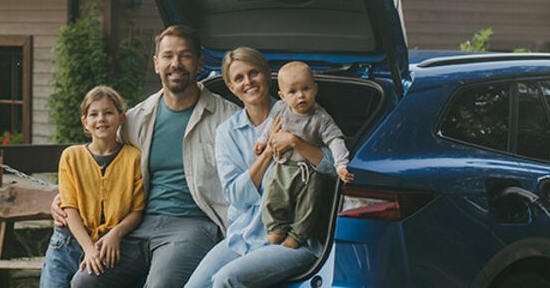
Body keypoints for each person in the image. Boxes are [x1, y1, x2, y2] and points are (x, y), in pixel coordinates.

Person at [59, 25, 239, 288]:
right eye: (168, 56)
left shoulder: (227, 118)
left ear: (199, 63)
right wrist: (61, 198)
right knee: (84, 282)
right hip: (137, 225)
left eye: (185, 56)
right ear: (156, 64)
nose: (175, 64)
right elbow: (102, 160)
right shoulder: (136, 118)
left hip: (194, 225)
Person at [184, 49, 332, 288]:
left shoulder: (302, 113)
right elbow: (236, 196)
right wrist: (266, 152)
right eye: (239, 78)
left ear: (267, 75)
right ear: (232, 88)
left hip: (294, 240)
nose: (248, 82)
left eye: (254, 73)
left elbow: (331, 167)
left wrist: (295, 142)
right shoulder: (227, 132)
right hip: (244, 235)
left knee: (226, 280)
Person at [39, 86, 148, 288]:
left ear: (121, 118)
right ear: (85, 122)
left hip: (111, 247)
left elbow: (137, 210)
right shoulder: (71, 157)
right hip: (67, 246)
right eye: (94, 114)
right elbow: (69, 207)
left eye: (108, 113)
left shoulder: (134, 158)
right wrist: (89, 250)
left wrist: (115, 234)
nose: (101, 119)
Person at [258, 61, 354, 247]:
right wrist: (262, 141)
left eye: (306, 89)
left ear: (315, 89)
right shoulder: (280, 108)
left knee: (308, 205)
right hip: (283, 166)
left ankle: (297, 236)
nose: (301, 95)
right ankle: (276, 229)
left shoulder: (321, 118)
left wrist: (341, 166)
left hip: (308, 172)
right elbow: (271, 125)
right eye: (293, 92)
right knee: (273, 196)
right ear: (282, 96)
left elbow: (336, 141)